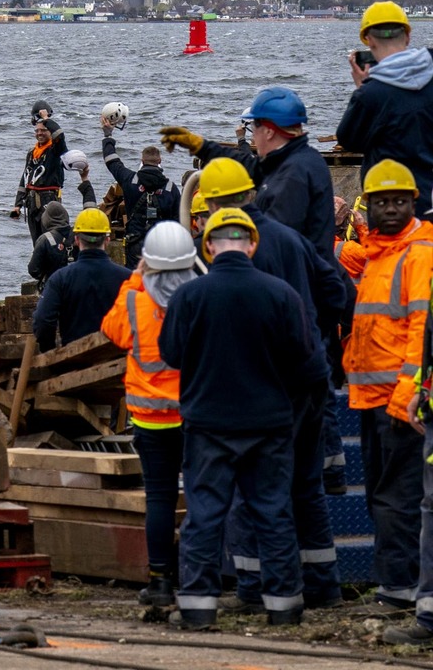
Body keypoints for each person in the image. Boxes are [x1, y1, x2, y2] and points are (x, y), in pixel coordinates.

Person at [194, 157, 351, 613]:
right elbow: (340, 294)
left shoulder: (222, 255)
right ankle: (323, 586)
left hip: (258, 390)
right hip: (308, 380)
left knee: (253, 490)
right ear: (250, 192)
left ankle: (253, 587)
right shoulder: (294, 240)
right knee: (307, 484)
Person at [162, 207, 317, 628]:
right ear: (252, 244)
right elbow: (303, 359)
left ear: (208, 246)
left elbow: (171, 355)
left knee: (205, 515)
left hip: (208, 424)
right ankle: (284, 607)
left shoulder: (188, 296)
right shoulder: (282, 294)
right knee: (273, 512)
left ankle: (197, 608)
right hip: (268, 424)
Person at [330, 163, 433, 627]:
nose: (390, 210)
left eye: (399, 202)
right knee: (380, 494)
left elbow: (421, 330)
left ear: (413, 203)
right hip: (371, 397)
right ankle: (395, 582)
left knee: (398, 497)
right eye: (382, 202)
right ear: (367, 206)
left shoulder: (419, 254)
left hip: (400, 402)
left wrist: (408, 392)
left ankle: (401, 588)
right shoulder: (376, 253)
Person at [103, 221, 203, 609]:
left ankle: (160, 582)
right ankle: (198, 579)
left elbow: (112, 330)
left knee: (159, 500)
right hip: (195, 416)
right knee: (200, 497)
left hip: (149, 419)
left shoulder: (134, 300)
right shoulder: (198, 297)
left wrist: (133, 280)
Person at [161, 87, 336, 255]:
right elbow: (246, 164)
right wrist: (201, 147)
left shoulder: (294, 176)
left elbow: (277, 241)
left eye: (254, 128)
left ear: (268, 132)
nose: (252, 136)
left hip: (299, 278)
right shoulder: (290, 161)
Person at [338, 1, 433, 219]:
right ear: (407, 37)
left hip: (393, 207)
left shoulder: (371, 95)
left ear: (369, 41)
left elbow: (350, 139)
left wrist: (362, 88)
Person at [33, 208, 130, 350]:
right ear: (107, 240)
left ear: (77, 240)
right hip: (118, 361)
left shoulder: (60, 279)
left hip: (73, 362)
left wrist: (50, 351)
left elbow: (42, 321)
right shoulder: (128, 278)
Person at [103, 122, 180, 270]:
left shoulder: (130, 180)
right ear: (160, 162)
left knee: (136, 278)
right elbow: (178, 221)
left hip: (135, 245)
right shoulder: (171, 188)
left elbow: (111, 161)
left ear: (142, 161)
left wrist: (108, 136)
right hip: (162, 247)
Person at [13, 114, 70, 243]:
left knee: (51, 240)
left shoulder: (55, 151)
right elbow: (25, 178)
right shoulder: (32, 152)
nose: (40, 133)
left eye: (43, 130)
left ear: (50, 132)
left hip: (49, 201)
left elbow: (60, 136)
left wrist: (46, 119)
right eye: (37, 131)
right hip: (32, 203)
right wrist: (17, 204)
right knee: (37, 242)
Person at [27, 200, 74, 289]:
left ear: (46, 219)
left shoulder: (45, 239)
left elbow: (33, 270)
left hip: (53, 289)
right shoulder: (77, 236)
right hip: (75, 287)